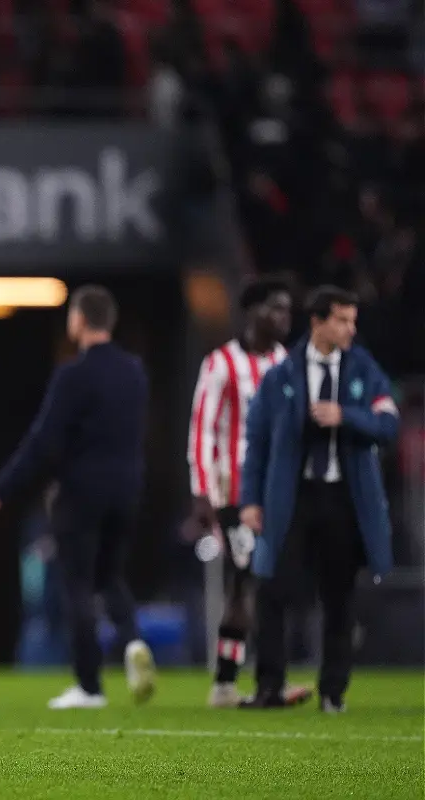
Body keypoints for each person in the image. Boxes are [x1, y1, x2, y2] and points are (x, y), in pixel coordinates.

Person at [0, 285, 157, 710]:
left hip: (82, 492)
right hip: (128, 488)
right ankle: (131, 641)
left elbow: (44, 442)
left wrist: (0, 489)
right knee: (111, 576)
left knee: (76, 583)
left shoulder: (73, 375)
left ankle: (90, 686)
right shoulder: (135, 371)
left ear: (79, 320)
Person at [239, 286, 399, 711]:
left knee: (339, 596)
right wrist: (250, 500)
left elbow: (389, 423)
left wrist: (347, 416)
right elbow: (256, 442)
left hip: (344, 498)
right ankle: (269, 686)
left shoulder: (363, 369)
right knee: (272, 588)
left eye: (352, 321)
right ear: (317, 322)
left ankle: (333, 692)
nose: (350, 329)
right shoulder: (280, 376)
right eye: (342, 320)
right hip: (293, 498)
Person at [187, 279, 311, 708]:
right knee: (255, 580)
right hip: (233, 496)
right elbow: (202, 430)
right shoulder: (220, 363)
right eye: (276, 309)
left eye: (287, 311)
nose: (284, 319)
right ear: (254, 311)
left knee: (249, 586)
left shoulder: (283, 362)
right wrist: (204, 495)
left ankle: (227, 684)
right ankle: (263, 683)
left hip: (276, 493)